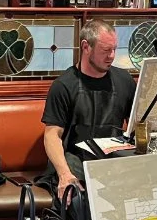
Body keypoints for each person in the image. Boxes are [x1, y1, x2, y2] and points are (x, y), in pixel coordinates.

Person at [41, 19, 135, 198]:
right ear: (86, 47)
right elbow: (51, 135)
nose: (112, 56)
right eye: (106, 50)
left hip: (114, 161)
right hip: (76, 161)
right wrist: (64, 174)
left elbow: (136, 125)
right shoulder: (64, 85)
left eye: (115, 49)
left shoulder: (125, 80)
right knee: (77, 196)